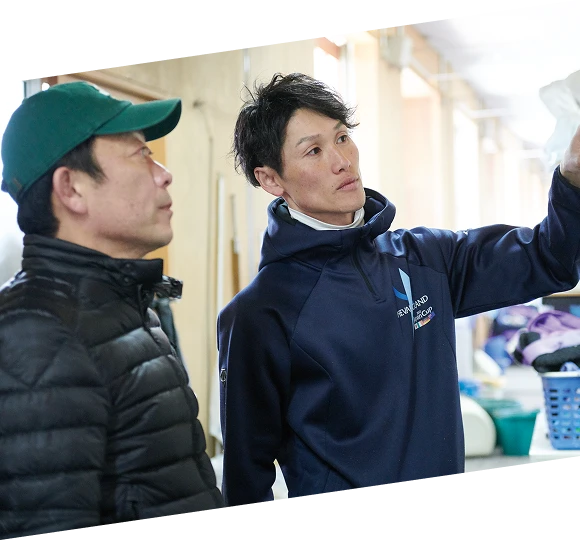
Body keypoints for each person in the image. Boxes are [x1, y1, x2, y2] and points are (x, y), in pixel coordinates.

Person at [217, 72, 580, 505]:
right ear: (272, 180)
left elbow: (548, 258)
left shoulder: (425, 259)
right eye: (314, 150)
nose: (342, 160)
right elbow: (246, 476)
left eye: (342, 138)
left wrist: (572, 177)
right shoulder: (260, 313)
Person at [0, 81, 224, 538]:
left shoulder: (125, 307)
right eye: (141, 154)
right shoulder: (38, 335)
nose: (164, 174)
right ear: (71, 189)